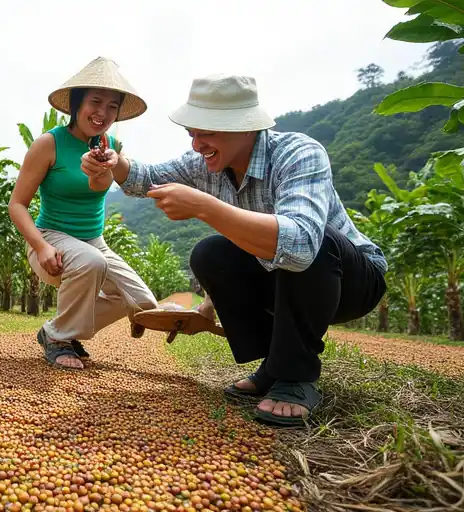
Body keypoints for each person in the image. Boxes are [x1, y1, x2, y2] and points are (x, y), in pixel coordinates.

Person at [82, 74, 388, 427]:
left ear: (245, 128)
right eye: (192, 134)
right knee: (210, 254)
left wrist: (204, 207)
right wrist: (111, 160)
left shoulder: (298, 154)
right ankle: (274, 365)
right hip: (285, 280)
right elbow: (145, 178)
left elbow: (302, 245)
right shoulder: (206, 164)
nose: (197, 145)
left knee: (316, 240)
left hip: (348, 282)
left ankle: (295, 375)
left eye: (206, 132)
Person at [8, 57, 159, 370]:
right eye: (95, 101)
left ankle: (61, 329)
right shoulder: (48, 144)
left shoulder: (113, 145)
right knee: (92, 262)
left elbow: (104, 184)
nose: (103, 113)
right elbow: (17, 205)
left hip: (94, 242)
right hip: (51, 239)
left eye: (112, 106)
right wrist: (40, 246)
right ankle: (60, 337)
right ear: (76, 104)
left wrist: (110, 164)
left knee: (142, 304)